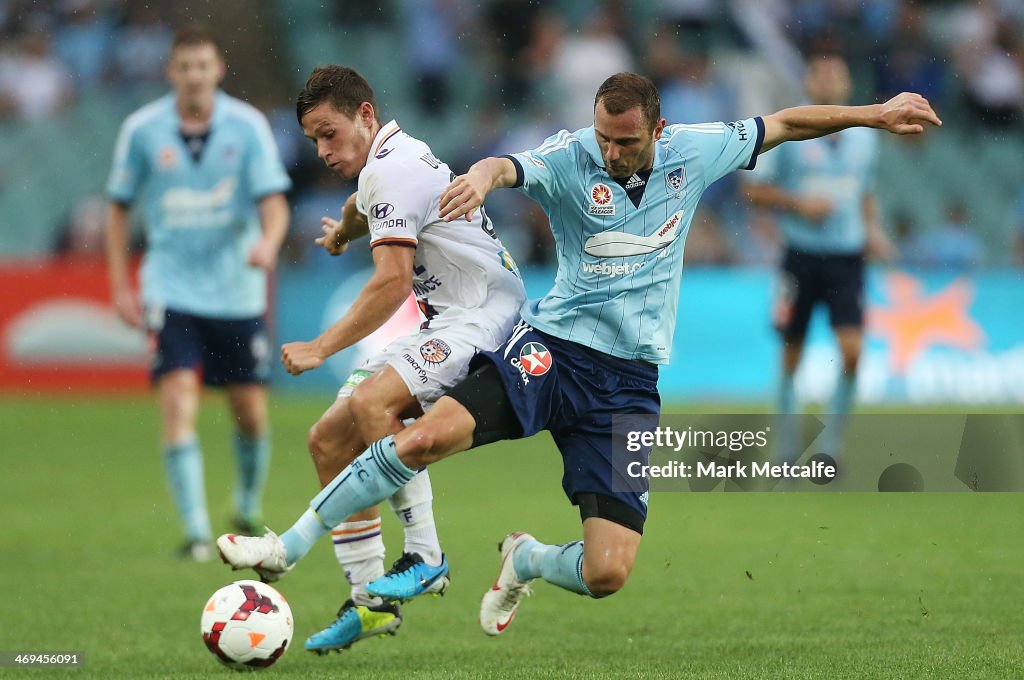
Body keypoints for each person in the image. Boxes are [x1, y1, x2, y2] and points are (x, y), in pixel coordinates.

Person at [219, 72, 940, 635]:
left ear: (658, 129)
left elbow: (782, 123)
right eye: (603, 137)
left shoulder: (696, 149)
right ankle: (291, 542)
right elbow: (511, 166)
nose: (611, 151)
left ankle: (525, 558)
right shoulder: (573, 156)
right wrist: (484, 177)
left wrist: (875, 113)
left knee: (607, 573)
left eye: (626, 142)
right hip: (552, 349)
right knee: (423, 435)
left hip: (629, 385)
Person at [223, 65, 526, 652]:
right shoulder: (388, 159)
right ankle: (370, 605)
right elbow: (365, 203)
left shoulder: (393, 168)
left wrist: (321, 346)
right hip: (452, 316)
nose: (322, 149)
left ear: (366, 115)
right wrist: (342, 232)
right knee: (329, 441)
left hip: (486, 316)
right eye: (313, 139)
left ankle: (426, 555)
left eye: (329, 133)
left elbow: (390, 284)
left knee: (371, 402)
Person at [105, 25, 291, 561]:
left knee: (250, 413)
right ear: (171, 72)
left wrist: (270, 243)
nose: (193, 76)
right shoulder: (142, 130)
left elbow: (273, 203)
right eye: (184, 66)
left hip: (237, 287)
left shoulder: (248, 126)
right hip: (172, 285)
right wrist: (121, 284)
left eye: (202, 66)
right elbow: (117, 207)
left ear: (217, 71)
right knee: (178, 400)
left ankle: (248, 502)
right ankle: (194, 533)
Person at [741, 50, 897, 460]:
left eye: (835, 73)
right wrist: (798, 204)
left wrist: (873, 231)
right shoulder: (791, 133)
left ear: (847, 84)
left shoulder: (865, 138)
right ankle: (788, 447)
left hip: (847, 259)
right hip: (800, 257)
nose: (828, 80)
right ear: (808, 83)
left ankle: (829, 448)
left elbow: (864, 192)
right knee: (792, 353)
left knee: (852, 352)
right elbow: (753, 190)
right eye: (820, 73)